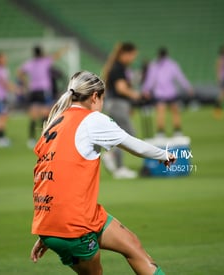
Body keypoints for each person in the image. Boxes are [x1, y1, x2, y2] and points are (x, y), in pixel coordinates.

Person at [30, 71, 175, 275]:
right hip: (72, 224)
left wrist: (49, 230)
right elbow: (135, 145)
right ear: (95, 96)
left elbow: (48, 174)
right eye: (103, 98)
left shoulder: (57, 121)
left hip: (65, 217)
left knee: (132, 245)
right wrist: (165, 155)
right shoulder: (92, 120)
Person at [101, 42, 142, 179]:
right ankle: (115, 163)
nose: (133, 59)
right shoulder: (118, 68)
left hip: (115, 104)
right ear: (125, 54)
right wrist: (135, 94)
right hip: (118, 104)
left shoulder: (115, 66)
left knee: (122, 134)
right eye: (132, 55)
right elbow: (121, 88)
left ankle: (114, 159)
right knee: (127, 135)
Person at [18, 46, 68, 148]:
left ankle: (31, 139)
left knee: (33, 115)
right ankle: (44, 137)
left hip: (33, 91)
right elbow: (56, 55)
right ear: (41, 53)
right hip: (44, 91)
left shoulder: (30, 63)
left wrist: (25, 83)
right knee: (46, 113)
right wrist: (65, 48)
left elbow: (19, 72)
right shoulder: (45, 61)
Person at [142, 47, 193, 137]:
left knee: (161, 112)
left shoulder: (154, 65)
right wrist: (188, 87)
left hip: (160, 93)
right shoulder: (172, 64)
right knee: (174, 112)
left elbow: (150, 80)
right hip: (170, 92)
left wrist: (146, 90)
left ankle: (161, 132)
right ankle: (177, 131)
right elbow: (180, 77)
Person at [0, 51, 18, 148]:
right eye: (3, 58)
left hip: (3, 97)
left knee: (3, 117)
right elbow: (3, 83)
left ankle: (1, 138)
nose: (5, 59)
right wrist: (15, 89)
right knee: (1, 117)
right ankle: (0, 139)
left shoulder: (3, 69)